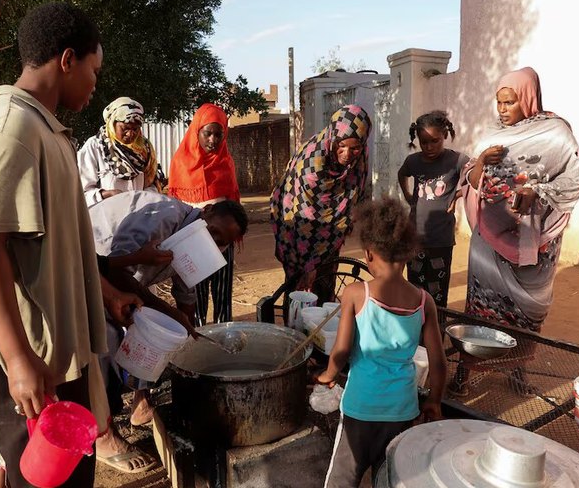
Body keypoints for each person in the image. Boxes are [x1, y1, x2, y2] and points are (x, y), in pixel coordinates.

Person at [0, 2, 140, 487]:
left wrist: (106, 293)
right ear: (67, 59)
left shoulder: (47, 130)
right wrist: (18, 361)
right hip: (22, 348)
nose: (96, 82)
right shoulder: (10, 130)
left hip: (54, 341)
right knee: (42, 477)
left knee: (73, 471)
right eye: (94, 70)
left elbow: (56, 246)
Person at [88, 190, 248, 459]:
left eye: (222, 243)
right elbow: (114, 270)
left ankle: (141, 404)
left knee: (157, 333)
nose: (214, 242)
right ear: (206, 210)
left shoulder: (204, 245)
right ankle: (104, 435)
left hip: (127, 284)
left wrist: (186, 329)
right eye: (214, 233)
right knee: (107, 339)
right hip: (91, 271)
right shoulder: (163, 218)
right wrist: (170, 314)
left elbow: (187, 291)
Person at [315, 198, 447, 488]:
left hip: (360, 407)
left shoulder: (355, 293)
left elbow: (342, 351)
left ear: (368, 252)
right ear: (407, 254)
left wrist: (327, 375)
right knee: (389, 478)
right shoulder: (424, 301)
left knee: (343, 478)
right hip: (402, 409)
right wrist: (434, 400)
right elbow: (438, 363)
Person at [461, 67, 579, 332]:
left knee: (526, 312)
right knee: (483, 302)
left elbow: (574, 178)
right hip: (488, 238)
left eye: (510, 102)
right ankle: (473, 363)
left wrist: (537, 191)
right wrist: (481, 161)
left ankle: (518, 366)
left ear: (528, 99)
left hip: (535, 238)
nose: (502, 109)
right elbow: (471, 181)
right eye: (499, 102)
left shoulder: (555, 133)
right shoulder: (491, 133)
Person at [270, 104, 371, 304]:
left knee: (325, 284)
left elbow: (352, 197)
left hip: (330, 233)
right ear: (333, 137)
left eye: (355, 148)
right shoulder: (312, 165)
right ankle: (295, 331)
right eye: (341, 146)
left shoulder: (359, 159)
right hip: (296, 228)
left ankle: (322, 330)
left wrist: (343, 225)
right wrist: (310, 266)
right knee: (299, 288)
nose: (347, 154)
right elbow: (305, 221)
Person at [167, 103, 240, 325]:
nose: (213, 140)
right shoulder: (180, 162)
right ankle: (199, 337)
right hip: (191, 241)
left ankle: (223, 334)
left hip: (222, 242)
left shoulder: (226, 163)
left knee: (222, 292)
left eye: (219, 135)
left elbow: (233, 204)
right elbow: (175, 206)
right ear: (196, 131)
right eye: (208, 134)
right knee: (195, 294)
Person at [398, 111, 469, 308]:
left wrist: (458, 195)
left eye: (435, 141)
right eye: (424, 142)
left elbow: (475, 179)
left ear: (445, 136)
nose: (429, 147)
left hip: (441, 240)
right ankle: (416, 331)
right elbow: (402, 174)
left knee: (437, 292)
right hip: (415, 238)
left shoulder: (457, 161)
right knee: (414, 289)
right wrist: (407, 196)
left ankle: (435, 330)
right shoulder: (413, 162)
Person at [78, 97, 161, 206]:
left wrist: (143, 198)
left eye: (135, 129)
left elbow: (151, 185)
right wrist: (106, 195)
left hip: (138, 216)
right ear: (112, 124)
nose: (130, 134)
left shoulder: (144, 149)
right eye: (125, 128)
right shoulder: (95, 146)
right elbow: (81, 193)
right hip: (106, 217)